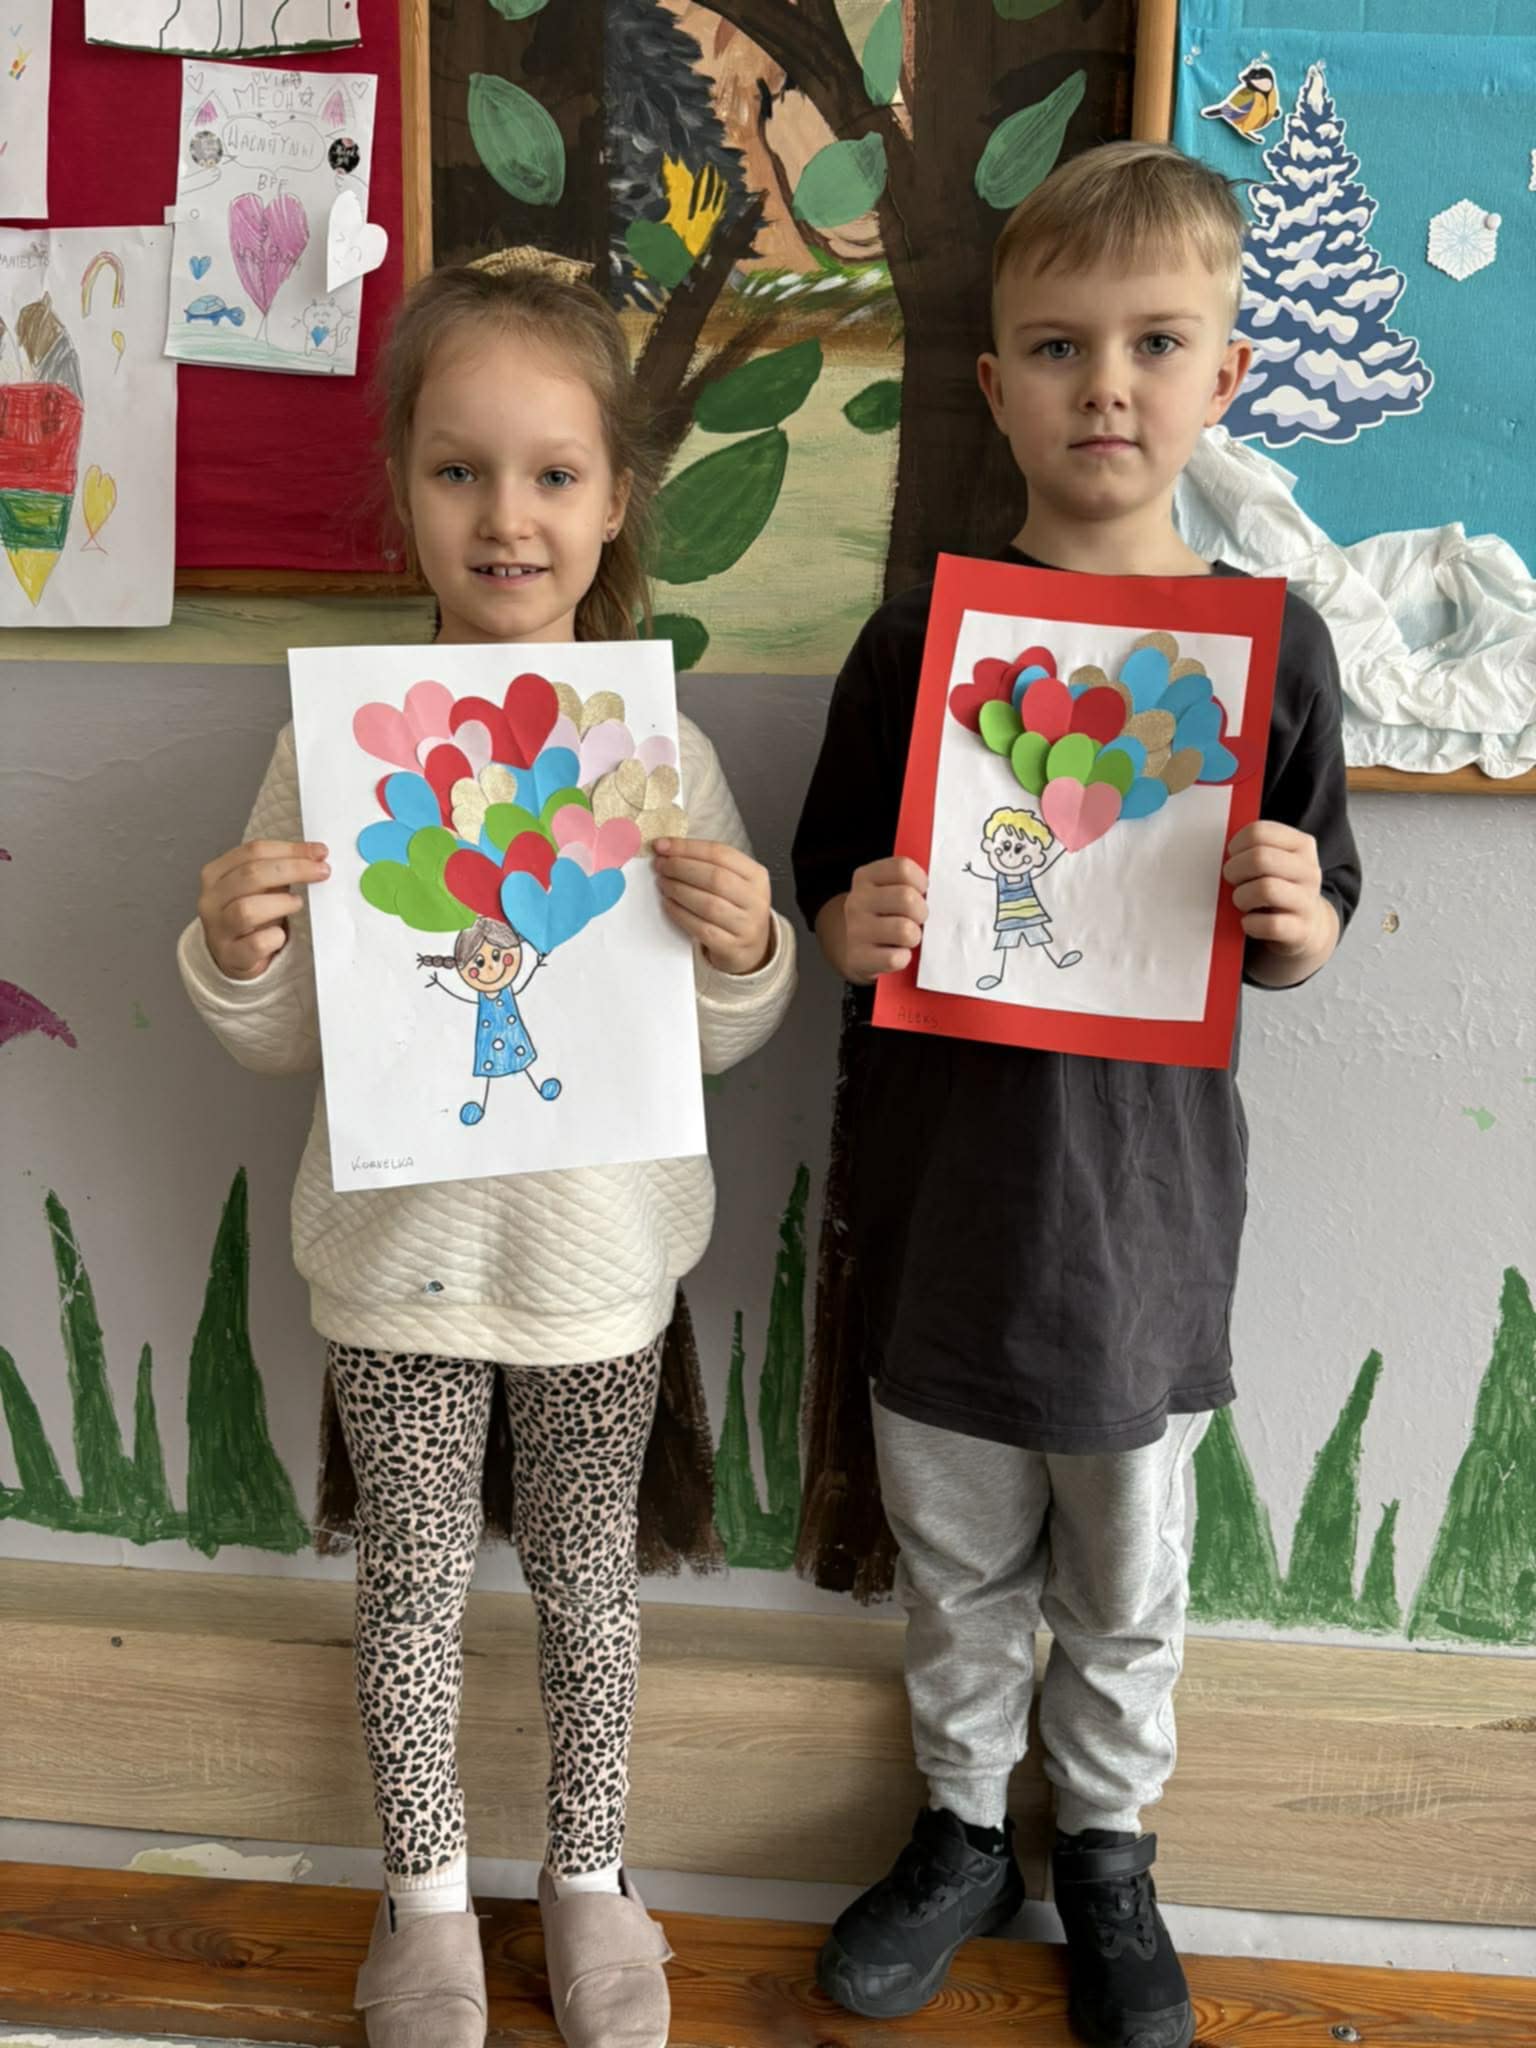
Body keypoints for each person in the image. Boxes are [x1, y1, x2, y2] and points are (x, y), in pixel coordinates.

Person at [179, 259, 797, 2048]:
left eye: (551, 474)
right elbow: (287, 1036)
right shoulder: (328, 753)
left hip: (601, 1275)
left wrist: (746, 948)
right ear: (405, 494)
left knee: (593, 1594)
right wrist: (237, 951)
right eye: (459, 471)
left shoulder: (662, 758)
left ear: (614, 505)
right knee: (411, 1595)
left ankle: (592, 1877)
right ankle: (427, 1899)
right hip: (400, 1275)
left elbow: (710, 1045)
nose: (506, 516)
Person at [792, 141, 1360, 2048]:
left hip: (1144, 1229)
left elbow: (1312, 926)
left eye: (1154, 342)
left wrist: (1294, 915)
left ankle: (1106, 1848)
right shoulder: (918, 644)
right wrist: (857, 920)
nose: (1104, 385)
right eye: (1057, 347)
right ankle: (964, 1830)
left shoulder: (1277, 649)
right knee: (957, 1563)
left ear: (1225, 375)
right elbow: (828, 893)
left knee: (1126, 1576)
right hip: (947, 1216)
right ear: (996, 384)